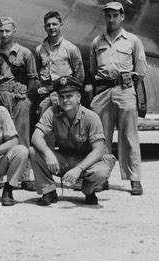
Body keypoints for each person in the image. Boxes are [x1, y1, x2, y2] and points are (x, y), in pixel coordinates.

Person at [89, 2, 148, 195]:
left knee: (129, 136)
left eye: (115, 15)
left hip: (125, 91)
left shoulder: (132, 41)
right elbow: (92, 69)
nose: (111, 19)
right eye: (108, 15)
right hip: (103, 91)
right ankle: (101, 177)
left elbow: (140, 70)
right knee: (100, 138)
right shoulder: (97, 42)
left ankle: (134, 179)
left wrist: (131, 87)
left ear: (122, 16)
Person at [30, 76, 116, 206]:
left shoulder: (91, 117)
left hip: (85, 162)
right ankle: (49, 191)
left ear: (79, 97)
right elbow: (36, 136)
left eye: (69, 96)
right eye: (61, 97)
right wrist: (48, 154)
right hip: (64, 160)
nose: (65, 100)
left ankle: (89, 190)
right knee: (33, 151)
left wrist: (79, 169)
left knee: (102, 171)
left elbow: (99, 150)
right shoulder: (52, 112)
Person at [0, 17, 37, 192]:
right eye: (1, 31)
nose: (4, 34)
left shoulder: (25, 53)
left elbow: (33, 80)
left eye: (7, 30)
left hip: (19, 98)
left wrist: (26, 99)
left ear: (14, 31)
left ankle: (23, 177)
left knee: (22, 136)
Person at [35, 11, 84, 116]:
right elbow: (37, 72)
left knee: (65, 127)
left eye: (54, 24)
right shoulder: (39, 50)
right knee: (45, 127)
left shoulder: (71, 48)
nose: (51, 27)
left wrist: (72, 93)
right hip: (45, 97)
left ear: (61, 26)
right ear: (44, 27)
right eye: (48, 25)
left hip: (64, 96)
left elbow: (79, 74)